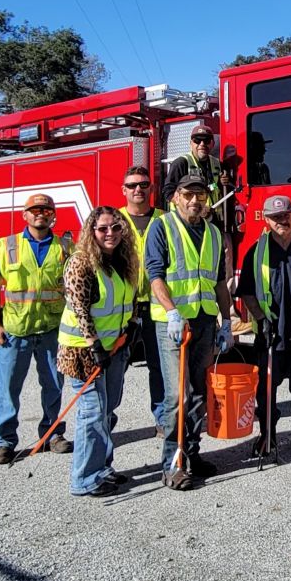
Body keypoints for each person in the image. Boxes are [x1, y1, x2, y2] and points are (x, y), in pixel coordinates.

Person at [145, 173, 235, 490]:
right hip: (173, 324)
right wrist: (171, 312)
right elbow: (155, 276)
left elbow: (219, 283)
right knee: (176, 396)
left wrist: (227, 321)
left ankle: (191, 454)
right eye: (188, 195)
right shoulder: (162, 227)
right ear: (176, 197)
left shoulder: (213, 233)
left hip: (204, 322)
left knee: (197, 394)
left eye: (201, 195)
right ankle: (172, 465)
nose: (195, 200)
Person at [0, 193, 73, 464]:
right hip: (15, 331)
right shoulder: (6, 246)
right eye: (35, 210)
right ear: (25, 215)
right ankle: (4, 441)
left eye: (46, 210)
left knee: (54, 386)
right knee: (8, 389)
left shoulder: (66, 247)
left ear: (53, 215)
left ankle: (52, 434)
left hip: (51, 330)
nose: (40, 214)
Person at [57, 207, 138, 497]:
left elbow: (128, 299)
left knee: (107, 409)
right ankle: (84, 478)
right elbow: (80, 309)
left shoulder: (122, 261)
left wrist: (132, 324)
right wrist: (94, 345)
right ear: (91, 231)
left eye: (116, 228)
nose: (110, 233)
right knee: (92, 413)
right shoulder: (80, 262)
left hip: (114, 346)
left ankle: (102, 468)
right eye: (103, 228)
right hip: (83, 351)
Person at [235, 194, 291, 455]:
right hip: (271, 333)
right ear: (267, 220)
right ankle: (267, 435)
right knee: (267, 389)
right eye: (276, 217)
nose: (282, 220)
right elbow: (246, 292)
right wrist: (260, 319)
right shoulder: (256, 252)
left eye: (286, 215)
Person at [118, 165, 167, 435]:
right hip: (123, 307)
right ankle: (105, 419)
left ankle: (162, 418)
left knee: (159, 365)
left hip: (157, 305)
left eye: (144, 184)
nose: (138, 189)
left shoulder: (165, 219)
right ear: (124, 190)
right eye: (132, 185)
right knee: (115, 367)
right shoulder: (115, 221)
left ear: (151, 188)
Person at [162, 123, 228, 204]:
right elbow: (168, 192)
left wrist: (222, 183)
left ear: (213, 143)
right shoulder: (181, 163)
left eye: (206, 140)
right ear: (191, 143)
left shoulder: (217, 164)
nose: (202, 144)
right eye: (197, 140)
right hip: (190, 212)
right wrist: (186, 207)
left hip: (213, 211)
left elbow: (213, 187)